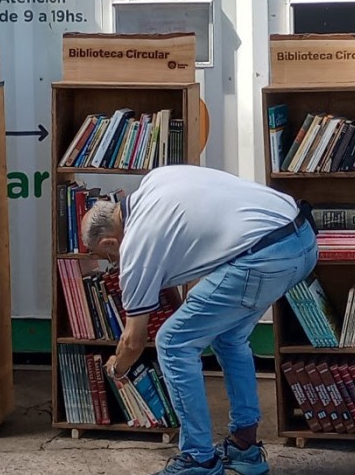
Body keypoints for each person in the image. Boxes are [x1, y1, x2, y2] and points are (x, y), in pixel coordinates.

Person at [81, 166, 318, 475]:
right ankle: (245, 448)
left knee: (173, 343)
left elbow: (134, 340)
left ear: (109, 244)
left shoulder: (136, 245)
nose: (112, 264)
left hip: (264, 257)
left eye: (107, 257)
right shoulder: (156, 180)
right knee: (230, 338)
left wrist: (118, 368)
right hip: (302, 238)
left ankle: (198, 459)